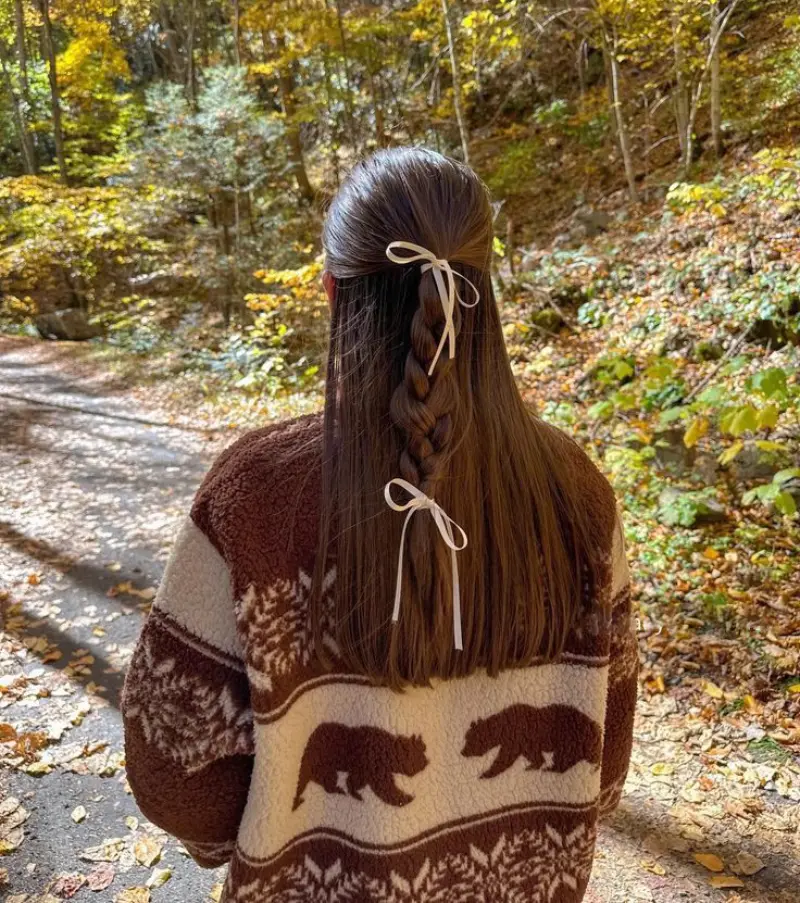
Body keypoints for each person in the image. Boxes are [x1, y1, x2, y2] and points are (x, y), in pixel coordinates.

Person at [121, 146, 637, 903]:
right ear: (485, 291)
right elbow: (604, 762)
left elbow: (174, 766)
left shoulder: (254, 497)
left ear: (332, 290)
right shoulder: (580, 498)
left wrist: (259, 836)